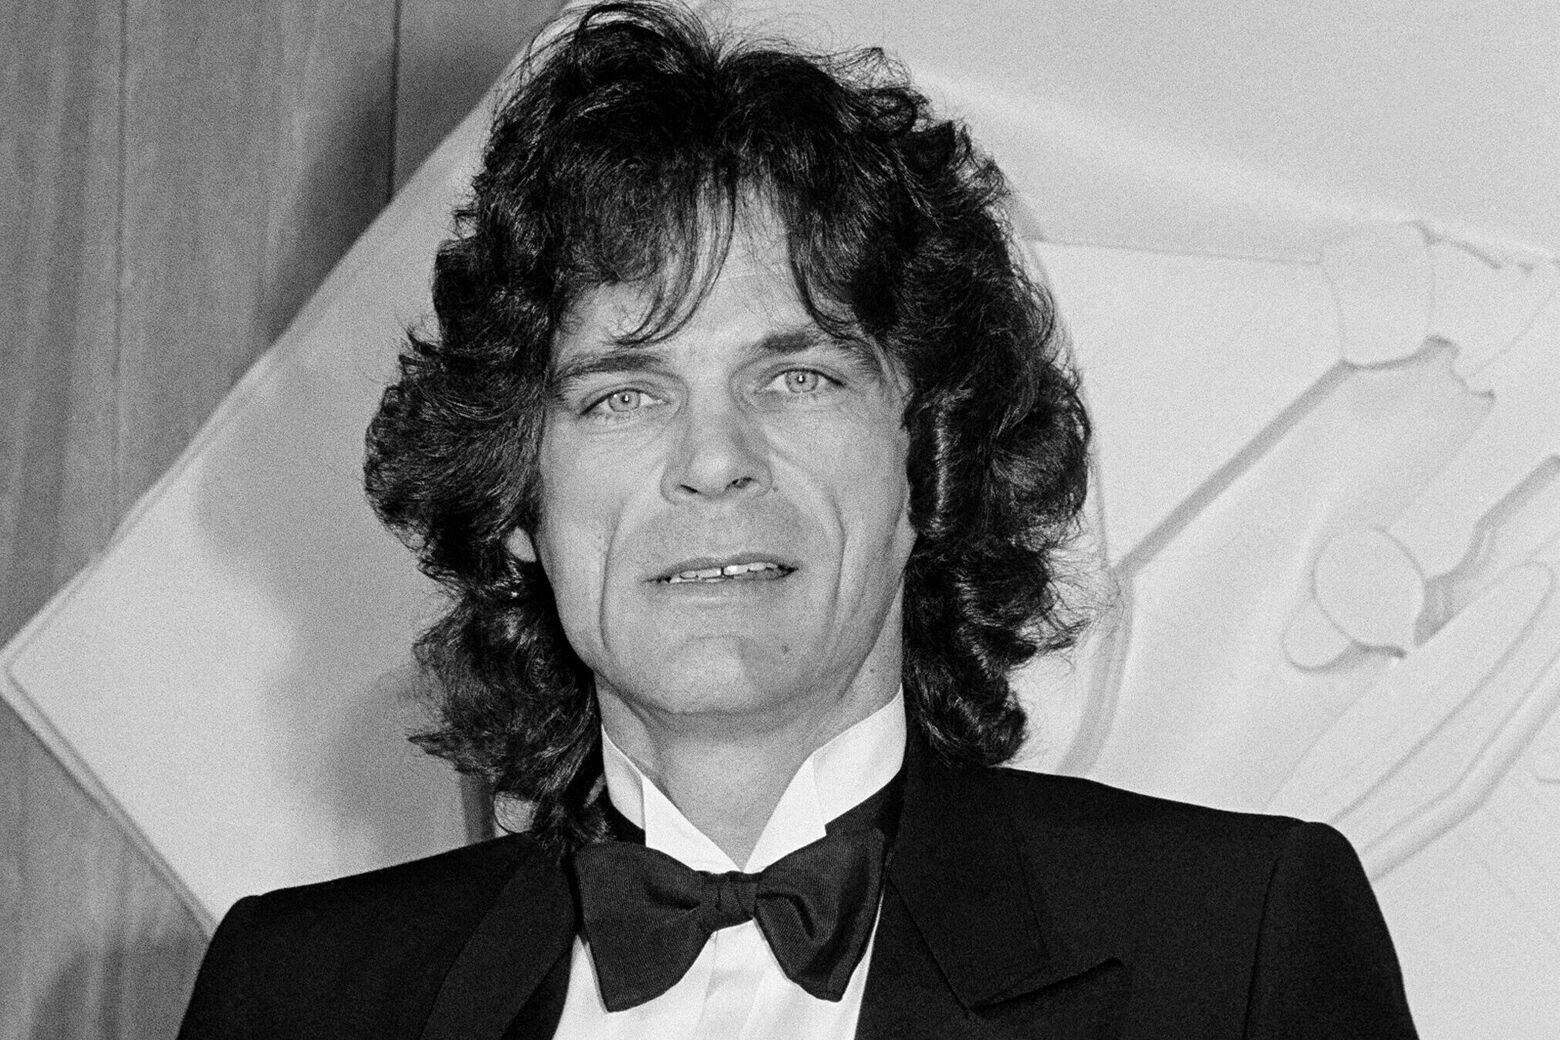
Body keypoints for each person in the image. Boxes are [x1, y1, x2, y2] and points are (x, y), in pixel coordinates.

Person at [177, 2, 1418, 1037]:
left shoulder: (1235, 950)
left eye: (798, 377)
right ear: (517, 498)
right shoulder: (296, 994)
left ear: (928, 453)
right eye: (623, 394)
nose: (715, 460)